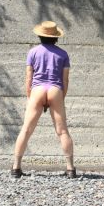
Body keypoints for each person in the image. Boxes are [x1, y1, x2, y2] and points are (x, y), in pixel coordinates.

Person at [11, 21, 76, 178]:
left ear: (40, 36)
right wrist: (61, 97)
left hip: (38, 89)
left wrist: (30, 96)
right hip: (55, 90)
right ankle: (70, 169)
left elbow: (29, 78)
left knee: (26, 130)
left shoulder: (32, 52)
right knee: (62, 131)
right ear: (56, 37)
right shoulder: (63, 54)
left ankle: (16, 168)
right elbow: (65, 80)